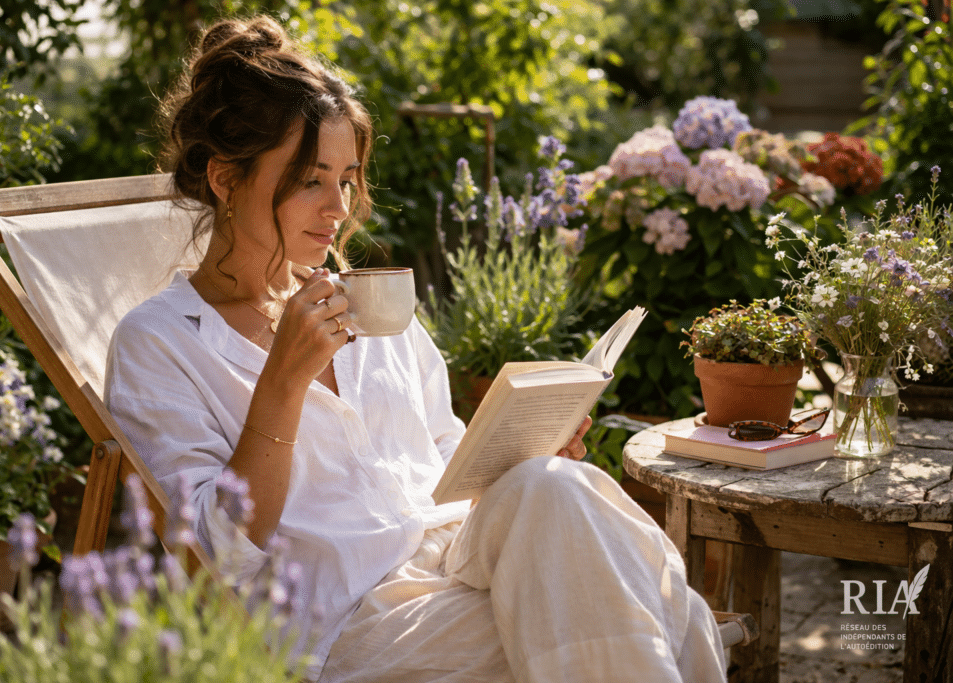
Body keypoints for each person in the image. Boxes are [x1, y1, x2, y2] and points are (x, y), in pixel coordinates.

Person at [104, 15, 728, 683]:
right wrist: (282, 383)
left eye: (347, 179)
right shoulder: (159, 344)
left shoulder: (371, 306)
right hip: (344, 623)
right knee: (638, 602)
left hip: (457, 558)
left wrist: (523, 454)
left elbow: (444, 455)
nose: (338, 207)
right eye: (311, 180)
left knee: (555, 490)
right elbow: (215, 553)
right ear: (226, 179)